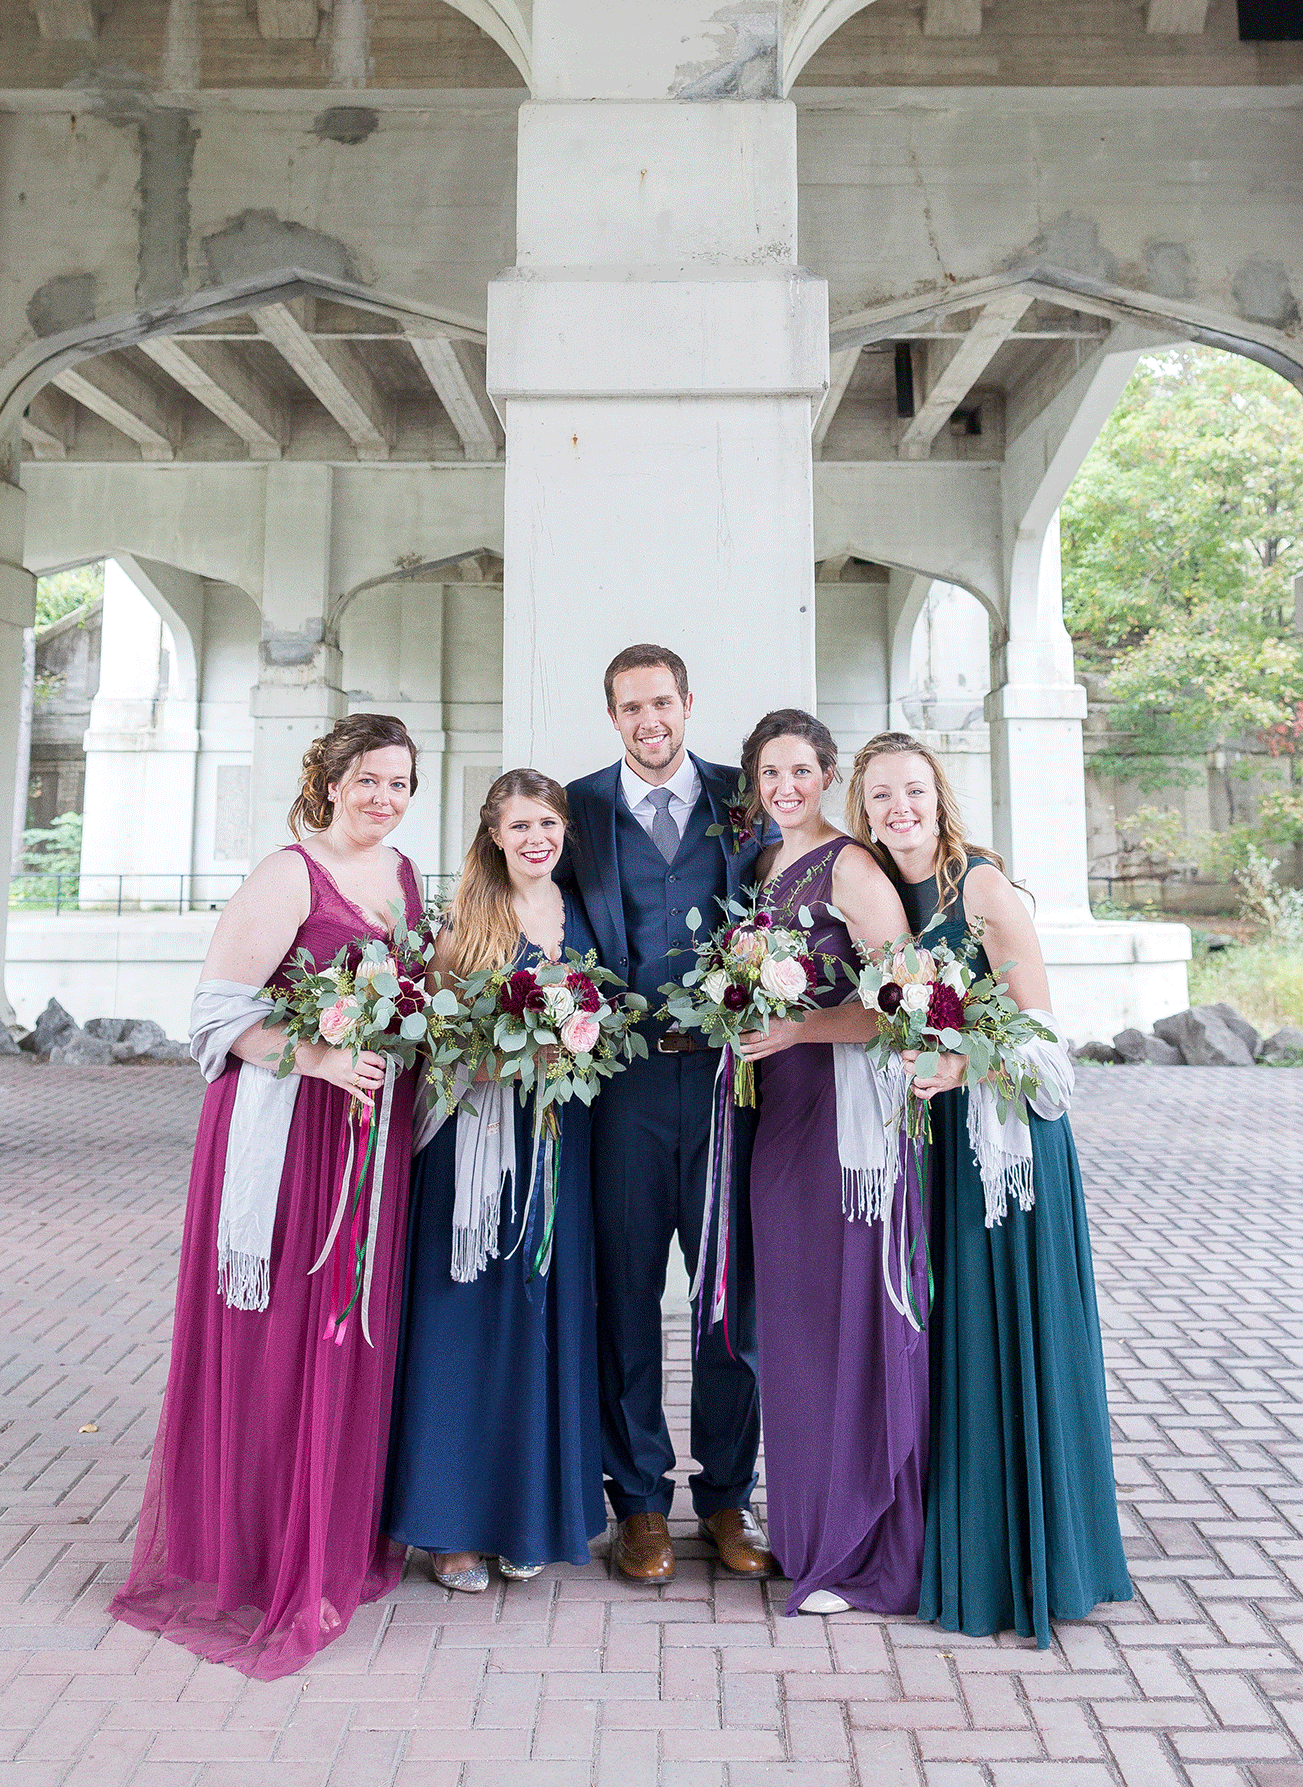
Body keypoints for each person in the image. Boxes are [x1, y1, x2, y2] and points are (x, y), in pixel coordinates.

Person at [110, 714, 425, 1679]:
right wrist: (321, 1058)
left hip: (369, 1137)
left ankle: (329, 1536)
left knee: (347, 1330)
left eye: (400, 782)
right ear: (330, 782)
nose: (383, 797)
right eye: (368, 779)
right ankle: (255, 1553)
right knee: (284, 1333)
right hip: (288, 1136)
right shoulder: (289, 875)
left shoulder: (404, 873)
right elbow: (214, 1015)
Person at [849, 730, 1132, 1649]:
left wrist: (962, 1065)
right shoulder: (883, 901)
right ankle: (970, 1548)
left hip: (1009, 1158)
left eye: (914, 790)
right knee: (958, 1351)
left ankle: (1038, 1562)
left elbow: (1049, 1053)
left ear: (939, 796)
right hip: (939, 1154)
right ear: (864, 809)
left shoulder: (981, 890)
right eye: (881, 794)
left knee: (1011, 1343)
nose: (900, 807)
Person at [559, 645, 774, 1584]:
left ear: (688, 702)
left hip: (730, 1084)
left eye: (662, 702)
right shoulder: (578, 808)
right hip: (625, 1088)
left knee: (729, 1297)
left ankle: (727, 1495)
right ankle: (639, 1502)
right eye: (630, 707)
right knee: (626, 1295)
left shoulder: (745, 796)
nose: (649, 720)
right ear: (612, 716)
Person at [383, 769, 606, 1588]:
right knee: (467, 1323)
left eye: (547, 823)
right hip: (474, 1145)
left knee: (540, 1322)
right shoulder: (466, 922)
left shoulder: (584, 913)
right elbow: (432, 1041)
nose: (535, 838)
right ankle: (452, 1526)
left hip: (560, 1141)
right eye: (519, 826)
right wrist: (510, 1061)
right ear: (494, 835)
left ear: (564, 831)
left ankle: (525, 1516)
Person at [734, 709, 929, 1615]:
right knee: (793, 1326)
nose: (786, 787)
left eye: (801, 771)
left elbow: (906, 999)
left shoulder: (852, 866)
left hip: (844, 1124)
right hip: (778, 1118)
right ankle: (807, 1528)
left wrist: (799, 1028)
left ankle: (858, 1543)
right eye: (770, 773)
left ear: (827, 776)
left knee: (844, 1314)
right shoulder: (761, 868)